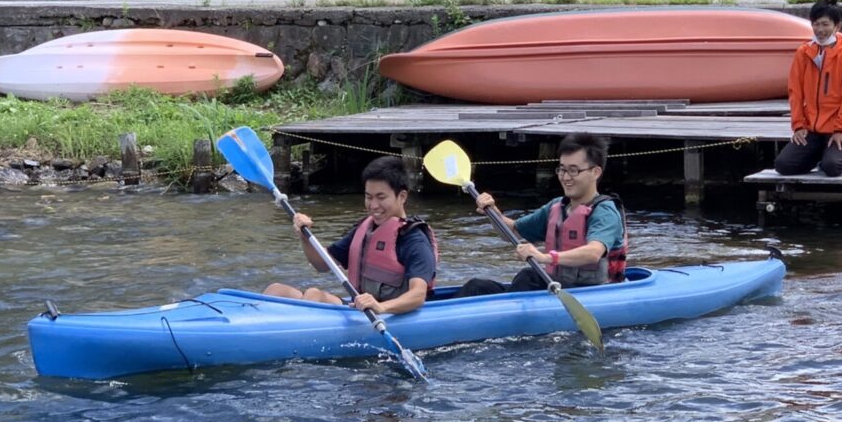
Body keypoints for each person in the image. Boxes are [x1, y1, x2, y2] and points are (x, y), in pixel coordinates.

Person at [453, 132, 627, 297]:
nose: (565, 177)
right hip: (557, 287)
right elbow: (512, 231)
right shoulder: (556, 207)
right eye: (562, 169)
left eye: (573, 170)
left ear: (595, 172)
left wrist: (545, 257)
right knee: (476, 286)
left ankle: (508, 322)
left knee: (529, 276)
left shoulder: (605, 212)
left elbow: (593, 253)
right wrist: (492, 212)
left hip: (596, 292)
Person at [262, 156, 438, 315]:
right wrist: (303, 235)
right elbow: (322, 264)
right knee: (276, 290)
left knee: (313, 295)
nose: (373, 205)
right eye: (369, 197)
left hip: (388, 314)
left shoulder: (413, 239)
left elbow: (418, 295)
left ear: (402, 196)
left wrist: (381, 307)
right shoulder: (366, 229)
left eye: (381, 197)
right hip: (360, 309)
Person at [774, 0, 842, 177]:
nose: (820, 30)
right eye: (816, 24)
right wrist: (798, 125)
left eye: (825, 24)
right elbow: (795, 91)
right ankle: (820, 154)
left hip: (840, 127)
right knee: (783, 166)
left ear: (837, 26)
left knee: (832, 168)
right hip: (812, 128)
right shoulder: (803, 52)